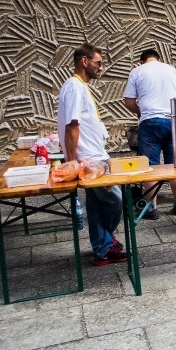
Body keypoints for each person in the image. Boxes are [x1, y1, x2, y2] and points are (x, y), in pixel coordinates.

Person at [57, 44, 126, 266]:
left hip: (90, 156)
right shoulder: (75, 87)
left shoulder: (76, 86)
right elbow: (72, 126)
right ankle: (106, 242)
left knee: (96, 208)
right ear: (84, 61)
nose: (101, 68)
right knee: (116, 200)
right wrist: (71, 161)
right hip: (91, 159)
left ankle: (102, 249)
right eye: (98, 63)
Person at [124, 48, 176, 219]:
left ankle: (152, 208)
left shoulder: (136, 71)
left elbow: (129, 101)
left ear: (141, 61)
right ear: (159, 59)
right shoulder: (172, 70)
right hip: (173, 121)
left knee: (150, 165)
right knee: (175, 164)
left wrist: (140, 112)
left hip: (150, 122)